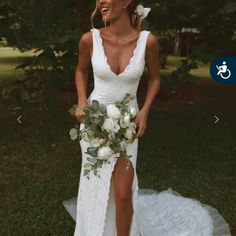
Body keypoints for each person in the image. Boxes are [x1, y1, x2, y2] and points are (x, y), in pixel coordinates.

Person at [63, 1, 232, 235]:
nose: (101, 1)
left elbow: (155, 78)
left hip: (127, 125)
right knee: (98, 187)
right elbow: (80, 70)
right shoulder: (89, 39)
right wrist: (82, 100)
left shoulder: (147, 42)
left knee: (123, 194)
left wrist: (145, 110)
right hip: (94, 123)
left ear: (125, 2)